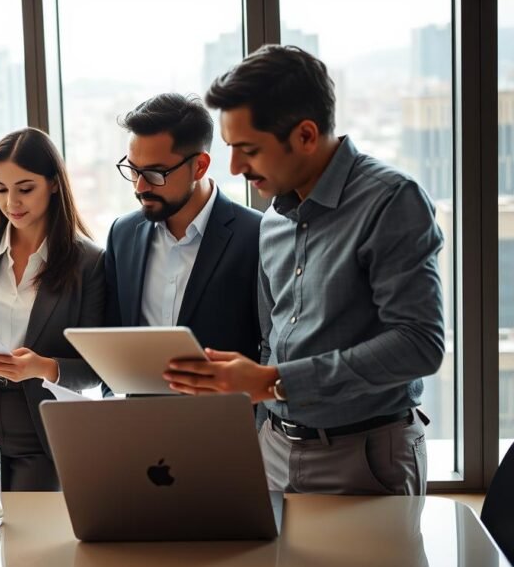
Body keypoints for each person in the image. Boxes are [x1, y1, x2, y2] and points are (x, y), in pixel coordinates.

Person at [165, 45, 444, 495]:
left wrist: (275, 382)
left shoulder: (392, 201)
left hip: (365, 458)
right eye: (231, 149)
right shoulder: (273, 217)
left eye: (248, 150)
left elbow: (419, 345)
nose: (235, 168)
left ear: (307, 136)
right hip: (273, 448)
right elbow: (270, 338)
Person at [0, 127, 105, 491]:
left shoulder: (89, 262)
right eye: (0, 190)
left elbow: (96, 369)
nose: (11, 202)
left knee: (34, 542)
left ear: (53, 184)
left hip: (42, 424)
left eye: (25, 188)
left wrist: (40, 367)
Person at [105, 93, 262, 388]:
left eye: (154, 173)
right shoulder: (122, 234)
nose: (140, 186)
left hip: (225, 425)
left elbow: (269, 349)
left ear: (200, 166)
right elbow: (113, 339)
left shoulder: (256, 236)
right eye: (133, 169)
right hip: (138, 424)